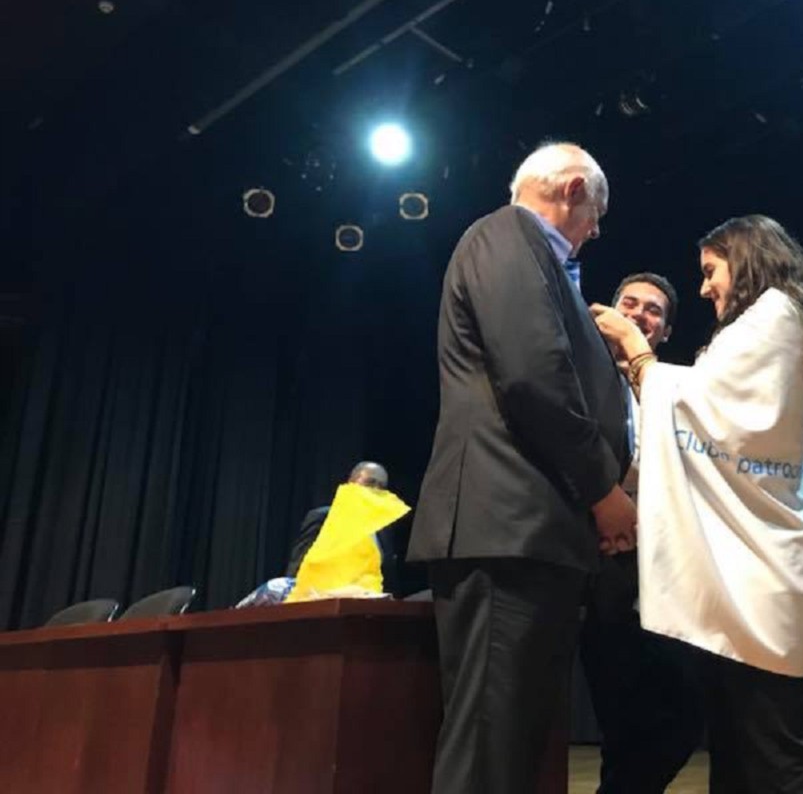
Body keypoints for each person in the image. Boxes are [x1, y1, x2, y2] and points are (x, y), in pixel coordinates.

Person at [407, 142, 635, 794]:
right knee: (490, 748)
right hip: (508, 529)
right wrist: (603, 492)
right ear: (572, 189)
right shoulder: (507, 233)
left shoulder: (534, 254)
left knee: (512, 749)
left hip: (533, 536)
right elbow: (536, 376)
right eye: (596, 215)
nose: (595, 231)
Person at [592, 214, 803, 794]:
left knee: (772, 752)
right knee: (739, 749)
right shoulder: (766, 323)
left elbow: (707, 411)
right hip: (738, 567)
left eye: (710, 271)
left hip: (756, 567)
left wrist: (637, 351)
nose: (704, 288)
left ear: (745, 258)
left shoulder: (775, 315)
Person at [579, 272, 703, 794]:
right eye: (628, 303)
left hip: (665, 561)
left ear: (665, 331)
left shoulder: (669, 386)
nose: (638, 314)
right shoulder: (576, 372)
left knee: (684, 711)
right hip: (601, 556)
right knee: (621, 718)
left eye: (653, 310)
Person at [286, 461, 399, 591]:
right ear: (351, 483)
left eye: (382, 487)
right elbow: (298, 568)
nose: (376, 490)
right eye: (370, 483)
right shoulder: (322, 518)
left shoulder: (383, 529)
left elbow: (389, 579)